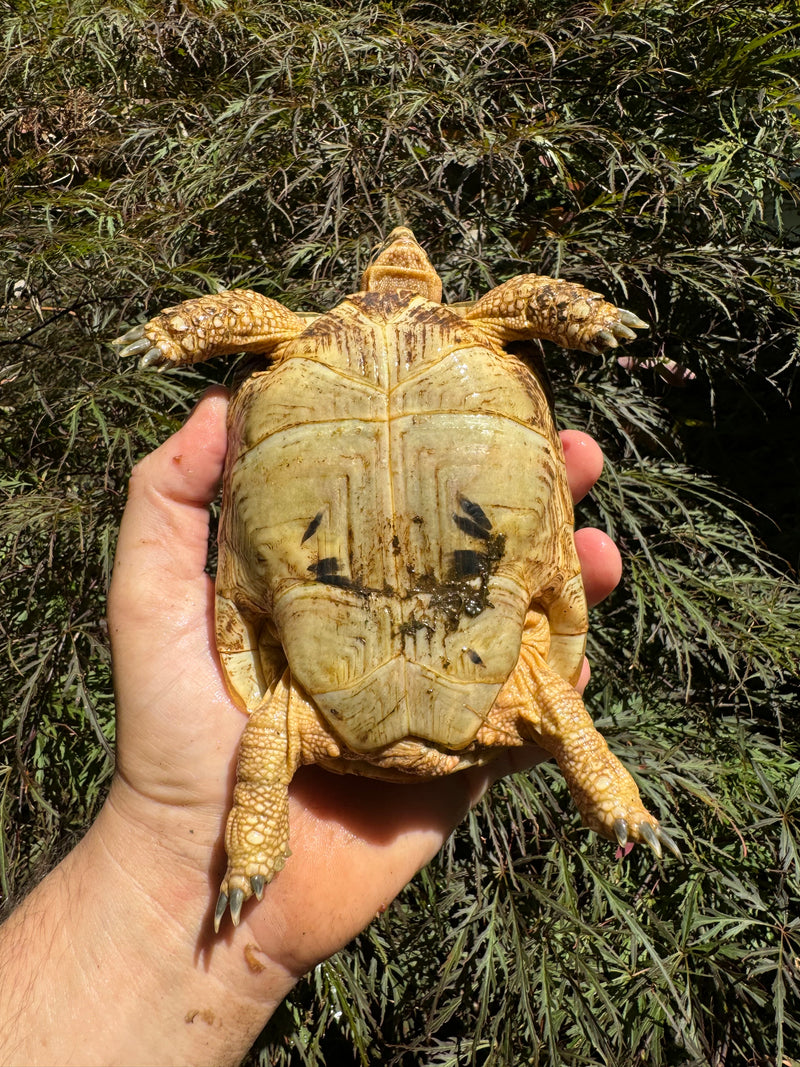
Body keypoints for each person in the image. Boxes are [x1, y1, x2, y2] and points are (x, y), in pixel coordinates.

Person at [0, 389, 622, 1066]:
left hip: (334, 694)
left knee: (279, 730)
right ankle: (619, 806)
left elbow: (270, 735)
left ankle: (612, 802)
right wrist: (175, 861)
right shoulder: (508, 688)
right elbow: (566, 715)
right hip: (470, 683)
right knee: (562, 710)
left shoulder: (296, 713)